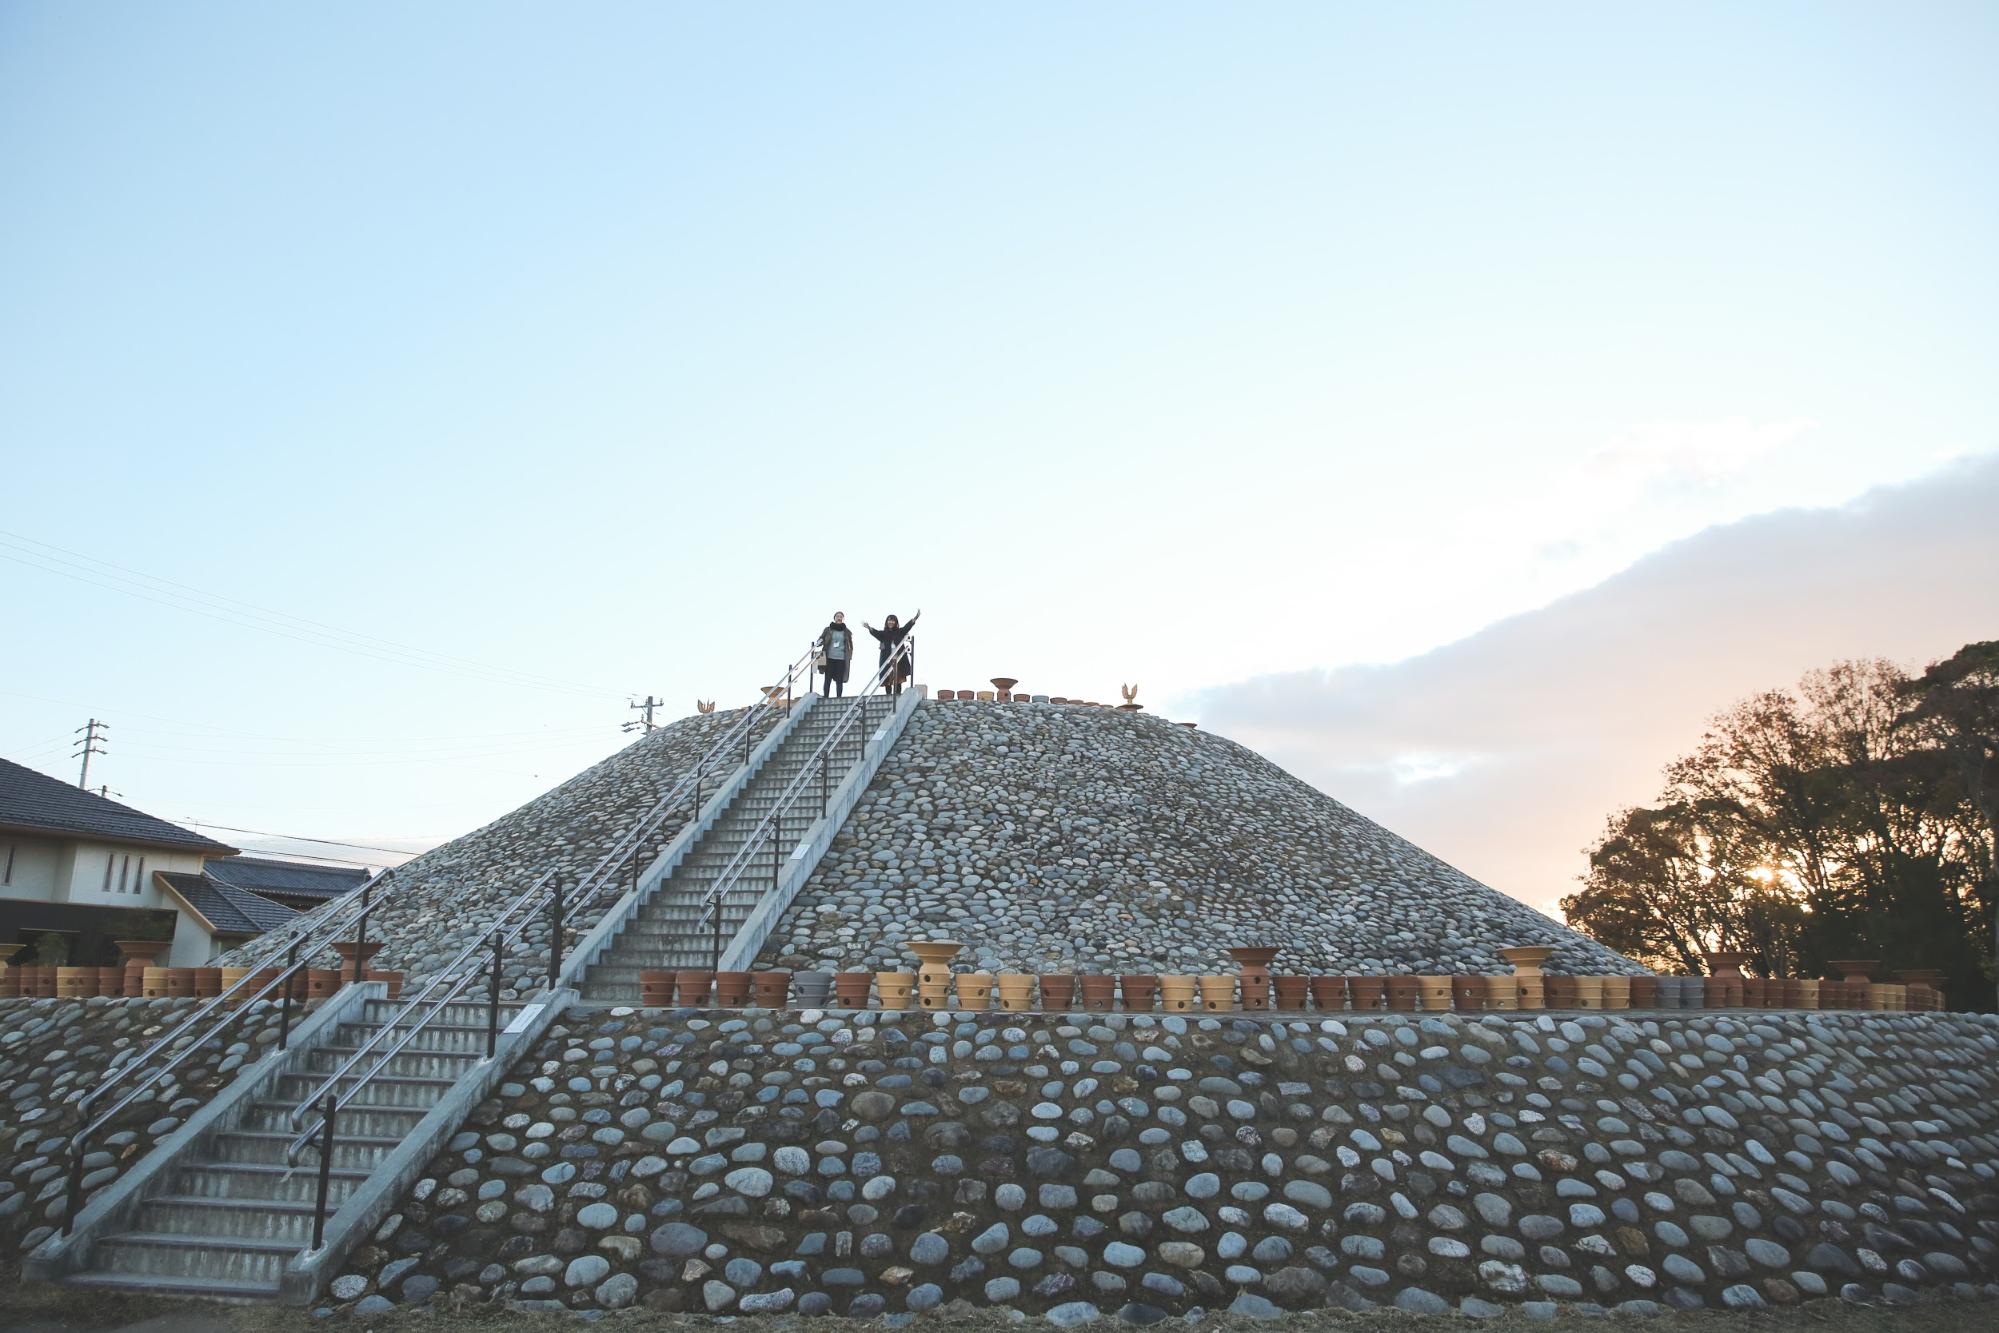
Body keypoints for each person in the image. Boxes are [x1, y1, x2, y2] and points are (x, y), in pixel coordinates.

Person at [864, 610, 920, 697]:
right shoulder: (883, 633)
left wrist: (914, 619)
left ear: (896, 622)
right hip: (887, 657)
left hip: (898, 657)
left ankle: (897, 695)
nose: (891, 622)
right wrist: (869, 628)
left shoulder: (900, 632)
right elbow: (876, 633)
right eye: (889, 620)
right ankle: (888, 695)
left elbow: (907, 627)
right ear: (887, 622)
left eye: (893, 620)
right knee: (887, 676)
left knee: (898, 676)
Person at [816, 612, 854, 697]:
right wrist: (818, 642)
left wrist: (849, 656)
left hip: (841, 658)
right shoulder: (828, 630)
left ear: (843, 619)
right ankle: (826, 696)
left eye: (841, 617)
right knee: (827, 677)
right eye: (837, 616)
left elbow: (850, 645)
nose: (839, 618)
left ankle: (839, 697)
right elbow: (821, 638)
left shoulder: (847, 632)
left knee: (839, 679)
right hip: (829, 656)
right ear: (834, 618)